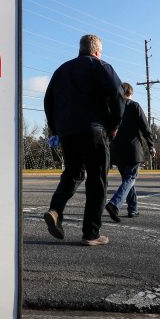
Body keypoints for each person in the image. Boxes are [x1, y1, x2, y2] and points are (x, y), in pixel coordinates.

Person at [42, 34, 124, 246]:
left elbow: (48, 100)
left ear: (80, 49)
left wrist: (55, 129)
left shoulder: (61, 70)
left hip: (68, 132)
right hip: (94, 131)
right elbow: (117, 92)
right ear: (97, 51)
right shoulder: (101, 66)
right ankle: (91, 233)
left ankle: (56, 210)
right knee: (97, 180)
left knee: (73, 173)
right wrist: (114, 124)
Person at [104, 83, 155, 222]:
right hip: (133, 150)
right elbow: (146, 128)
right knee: (130, 178)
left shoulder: (112, 107)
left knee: (127, 180)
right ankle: (114, 204)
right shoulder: (134, 106)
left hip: (117, 150)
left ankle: (133, 209)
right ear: (130, 93)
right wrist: (151, 146)